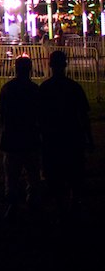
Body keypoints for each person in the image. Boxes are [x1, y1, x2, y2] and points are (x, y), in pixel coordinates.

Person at [39, 50, 93, 221]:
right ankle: (74, 202)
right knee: (74, 172)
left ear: (50, 65)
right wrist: (89, 138)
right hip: (72, 136)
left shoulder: (45, 88)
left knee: (55, 173)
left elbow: (39, 116)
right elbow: (83, 115)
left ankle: (61, 206)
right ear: (66, 64)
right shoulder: (74, 87)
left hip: (52, 137)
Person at [0, 55, 41, 221]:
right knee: (33, 173)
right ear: (29, 69)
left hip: (12, 137)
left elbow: (2, 114)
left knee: (12, 175)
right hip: (30, 137)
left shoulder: (7, 89)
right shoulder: (35, 89)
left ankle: (13, 205)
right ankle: (33, 201)